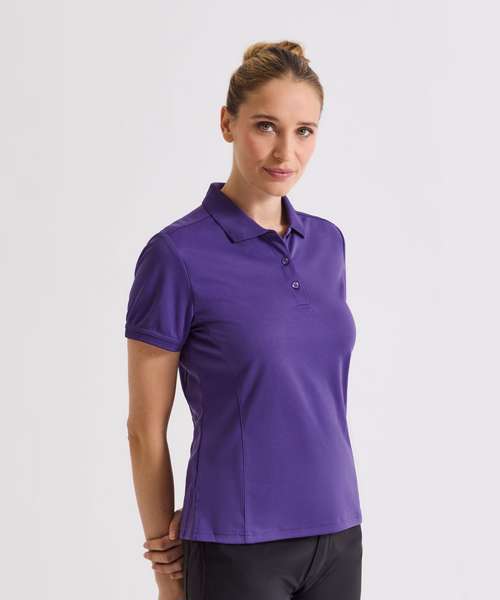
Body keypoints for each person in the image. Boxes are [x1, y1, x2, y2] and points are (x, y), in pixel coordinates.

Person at [125, 40, 363, 600]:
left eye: (304, 131)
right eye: (265, 126)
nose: (286, 151)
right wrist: (165, 568)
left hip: (338, 531)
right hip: (237, 540)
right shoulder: (176, 255)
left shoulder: (327, 244)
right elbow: (144, 428)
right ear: (227, 123)